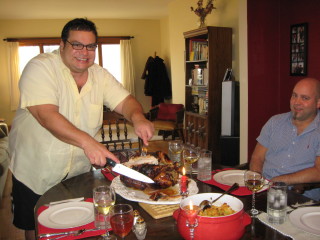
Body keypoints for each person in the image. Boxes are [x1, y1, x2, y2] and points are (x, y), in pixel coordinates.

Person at [8, 18, 154, 240]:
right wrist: (88, 142)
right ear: (62, 45)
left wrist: (138, 117)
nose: (84, 52)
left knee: (77, 226)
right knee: (36, 227)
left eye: (90, 46)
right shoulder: (40, 67)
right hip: (35, 170)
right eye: (77, 44)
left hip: (76, 172)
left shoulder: (100, 75)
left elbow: (126, 102)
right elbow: (46, 115)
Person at [250, 78, 320, 201]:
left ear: (318, 103)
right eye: (294, 95)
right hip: (264, 192)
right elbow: (257, 157)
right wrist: (257, 181)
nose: (297, 102)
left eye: (305, 98)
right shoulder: (274, 122)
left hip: (300, 198)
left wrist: (280, 181)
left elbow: (318, 171)